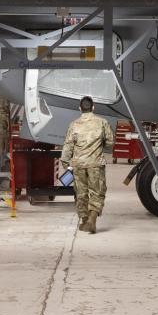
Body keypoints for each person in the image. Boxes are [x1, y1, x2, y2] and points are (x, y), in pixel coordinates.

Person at [60, 96, 114, 234]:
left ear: (80, 108)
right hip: (95, 163)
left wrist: (65, 163)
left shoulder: (74, 125)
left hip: (78, 164)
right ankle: (92, 220)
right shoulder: (102, 122)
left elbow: (68, 146)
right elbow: (110, 143)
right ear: (93, 107)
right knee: (97, 192)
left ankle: (84, 220)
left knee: (81, 193)